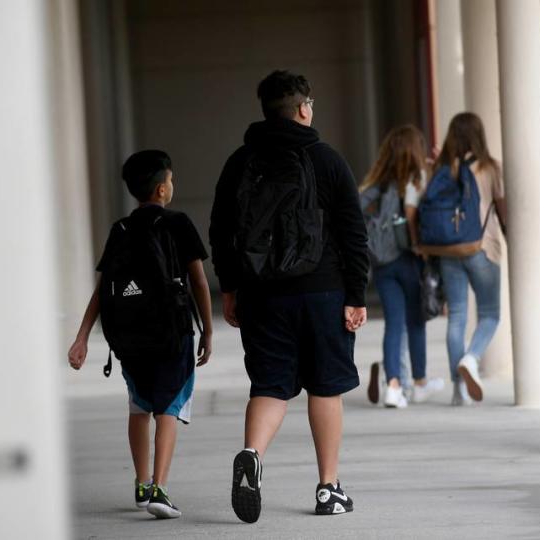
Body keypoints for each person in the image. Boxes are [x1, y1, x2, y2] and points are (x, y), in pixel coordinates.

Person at [209, 70, 369, 521]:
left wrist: (230, 288)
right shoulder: (327, 160)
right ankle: (328, 488)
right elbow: (354, 233)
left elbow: (220, 231)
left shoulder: (240, 162)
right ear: (303, 108)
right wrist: (356, 294)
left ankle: (253, 455)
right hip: (322, 291)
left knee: (270, 386)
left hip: (261, 294)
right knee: (325, 386)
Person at [67, 150, 214, 519]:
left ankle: (142, 483)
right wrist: (208, 330)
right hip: (172, 333)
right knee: (169, 407)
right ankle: (160, 491)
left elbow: (103, 289)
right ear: (163, 188)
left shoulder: (121, 229)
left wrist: (82, 336)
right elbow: (198, 281)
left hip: (130, 338)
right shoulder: (178, 224)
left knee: (139, 407)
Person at [359, 125, 445, 408]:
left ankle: (393, 386)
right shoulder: (418, 180)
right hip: (410, 259)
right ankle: (419, 382)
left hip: (383, 262)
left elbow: (355, 206)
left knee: (394, 323)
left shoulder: (380, 184)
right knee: (415, 321)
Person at [432, 112, 507, 405]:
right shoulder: (490, 168)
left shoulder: (443, 168)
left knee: (458, 316)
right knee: (490, 314)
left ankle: (457, 390)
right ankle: (472, 359)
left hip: (450, 250)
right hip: (483, 247)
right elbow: (503, 210)